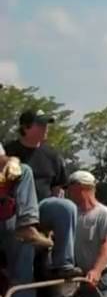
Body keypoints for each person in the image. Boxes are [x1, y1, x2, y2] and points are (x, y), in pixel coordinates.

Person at [4, 109, 78, 278]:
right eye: (40, 124)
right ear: (26, 127)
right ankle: (23, 291)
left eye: (47, 124)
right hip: (14, 212)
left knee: (66, 207)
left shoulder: (52, 155)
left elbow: (58, 189)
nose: (46, 128)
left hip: (42, 207)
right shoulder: (9, 151)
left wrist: (54, 224)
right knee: (24, 249)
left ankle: (63, 264)